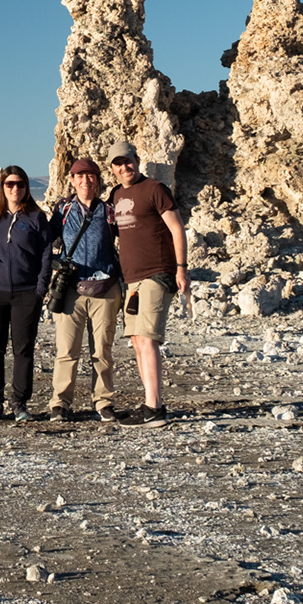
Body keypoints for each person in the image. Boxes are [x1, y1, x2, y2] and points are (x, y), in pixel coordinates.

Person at [105, 139, 188, 426]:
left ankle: (155, 408)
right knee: (138, 340)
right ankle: (149, 403)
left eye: (128, 161)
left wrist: (181, 269)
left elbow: (177, 228)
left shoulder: (155, 189)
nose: (124, 167)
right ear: (112, 169)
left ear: (137, 161)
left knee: (149, 339)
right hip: (132, 279)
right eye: (118, 163)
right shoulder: (115, 196)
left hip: (157, 273)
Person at [47, 156, 122, 423]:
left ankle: (103, 402)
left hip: (105, 287)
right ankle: (60, 403)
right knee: (67, 350)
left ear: (98, 181)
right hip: (72, 289)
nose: (85, 181)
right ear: (71, 180)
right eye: (80, 176)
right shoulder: (63, 210)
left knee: (102, 350)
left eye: (90, 176)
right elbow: (46, 239)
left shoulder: (109, 211)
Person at [0, 166, 53, 422]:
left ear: (26, 188)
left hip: (26, 293)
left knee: (23, 350)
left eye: (20, 184)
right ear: (1, 187)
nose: (15, 189)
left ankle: (20, 403)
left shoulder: (36, 217)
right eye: (9, 184)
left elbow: (46, 254)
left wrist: (41, 289)